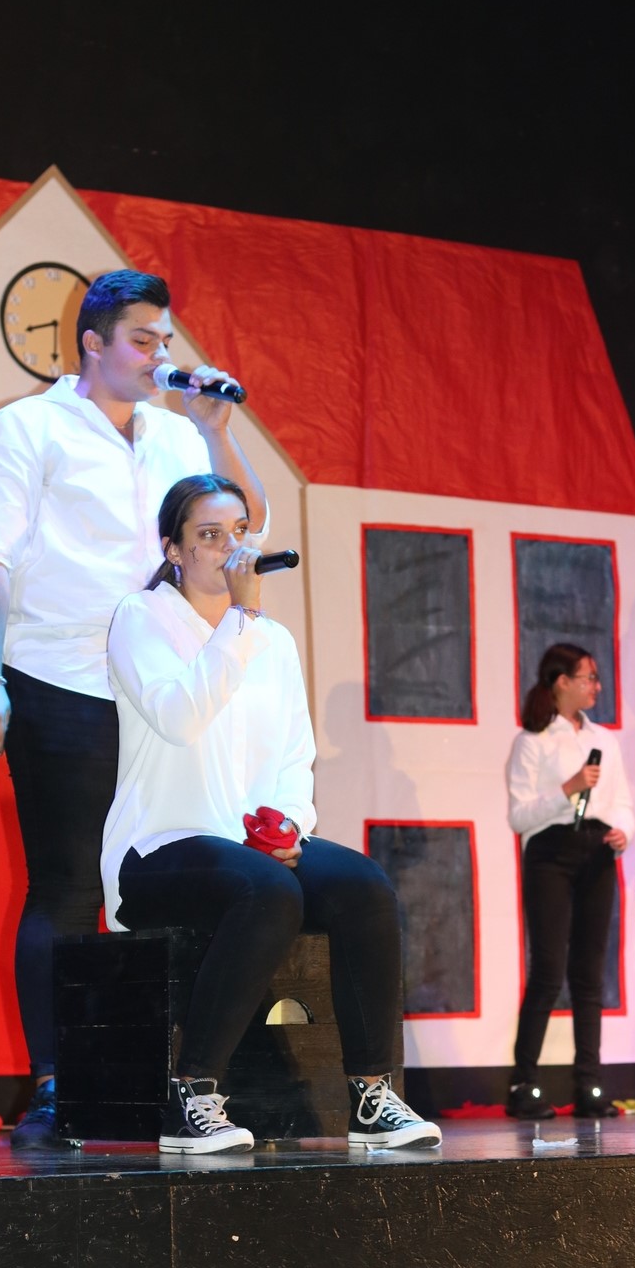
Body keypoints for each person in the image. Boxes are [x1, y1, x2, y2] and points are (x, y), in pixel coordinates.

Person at [0, 268, 268, 1149]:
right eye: (142, 339)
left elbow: (245, 526)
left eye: (165, 339)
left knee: (162, 878)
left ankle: (164, 1078)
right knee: (66, 884)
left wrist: (216, 432)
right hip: (62, 677)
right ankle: (56, 1085)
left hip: (160, 682)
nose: (159, 354)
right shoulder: (26, 427)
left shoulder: (176, 435)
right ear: (91, 344)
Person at [100, 474, 442, 1154]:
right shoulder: (142, 618)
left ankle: (370, 1093)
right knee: (267, 891)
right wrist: (240, 617)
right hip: (160, 846)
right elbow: (179, 717)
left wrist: (286, 828)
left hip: (250, 846)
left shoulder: (273, 641)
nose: (229, 548)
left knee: (364, 887)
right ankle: (192, 1095)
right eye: (208, 536)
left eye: (238, 533)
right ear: (173, 550)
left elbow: (293, 755)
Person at [505, 643, 635, 1120]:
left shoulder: (605, 740)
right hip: (551, 854)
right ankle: (523, 1083)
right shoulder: (533, 741)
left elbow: (622, 803)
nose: (596, 686)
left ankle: (589, 1085)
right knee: (548, 970)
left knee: (589, 972)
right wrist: (569, 788)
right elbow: (519, 815)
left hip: (597, 852)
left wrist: (623, 831)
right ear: (562, 682)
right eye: (588, 678)